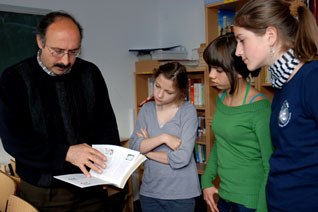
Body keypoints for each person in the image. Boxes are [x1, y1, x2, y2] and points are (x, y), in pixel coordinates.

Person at [0, 11, 120, 212]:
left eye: (74, 52)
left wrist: (110, 170)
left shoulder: (90, 73)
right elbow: (15, 141)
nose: (65, 61)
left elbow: (106, 125)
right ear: (40, 41)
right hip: (44, 191)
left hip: (92, 187)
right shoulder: (14, 78)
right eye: (57, 51)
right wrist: (66, 153)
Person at [233, 0, 318, 211]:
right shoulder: (282, 87)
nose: (237, 51)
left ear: (270, 36)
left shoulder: (311, 78)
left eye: (242, 40)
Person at [201, 33, 273, 212]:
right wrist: (206, 181)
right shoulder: (221, 98)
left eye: (218, 70)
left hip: (250, 203)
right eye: (211, 68)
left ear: (239, 72)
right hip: (224, 197)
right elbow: (220, 143)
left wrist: (262, 209)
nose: (211, 75)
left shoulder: (260, 108)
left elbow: (270, 165)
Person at [129, 62, 201, 212]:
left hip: (181, 194)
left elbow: (182, 158)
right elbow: (134, 146)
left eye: (169, 92)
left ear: (180, 91)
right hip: (150, 191)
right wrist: (164, 138)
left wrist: (147, 151)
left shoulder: (187, 111)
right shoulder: (146, 110)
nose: (159, 95)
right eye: (157, 86)